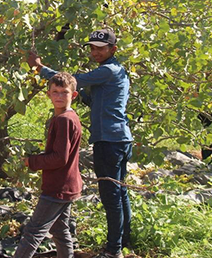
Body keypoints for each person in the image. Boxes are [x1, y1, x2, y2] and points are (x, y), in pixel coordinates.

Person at [27, 28, 132, 258]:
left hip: (110, 140)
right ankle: (124, 243)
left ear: (113, 49)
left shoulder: (108, 70)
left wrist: (39, 68)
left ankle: (114, 250)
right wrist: (78, 97)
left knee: (111, 195)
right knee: (120, 193)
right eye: (93, 48)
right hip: (120, 138)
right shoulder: (115, 72)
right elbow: (91, 99)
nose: (95, 52)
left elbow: (72, 82)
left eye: (100, 48)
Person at [14, 72, 83, 258]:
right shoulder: (69, 117)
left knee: (33, 232)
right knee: (60, 231)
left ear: (73, 95)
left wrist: (32, 161)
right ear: (48, 94)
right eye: (55, 92)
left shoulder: (64, 120)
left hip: (58, 187)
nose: (59, 96)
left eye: (64, 92)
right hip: (68, 185)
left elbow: (60, 158)